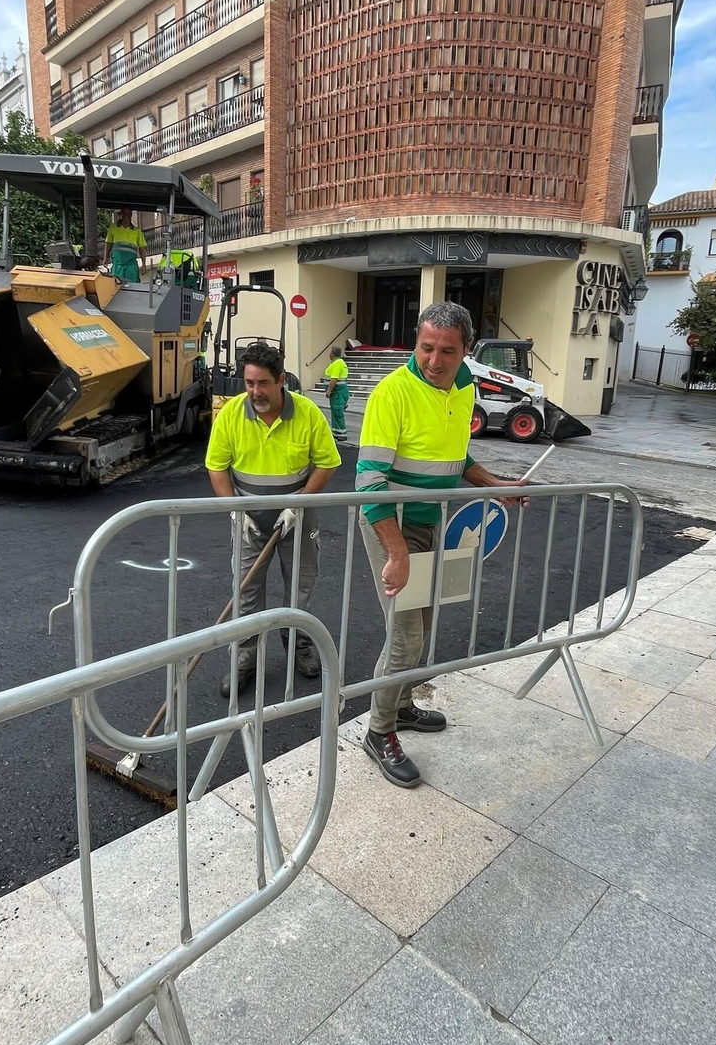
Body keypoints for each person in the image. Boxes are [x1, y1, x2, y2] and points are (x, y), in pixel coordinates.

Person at [356, 301, 526, 788]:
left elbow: (456, 456)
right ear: (417, 341)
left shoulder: (466, 386)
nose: (434, 360)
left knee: (424, 624)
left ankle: (403, 705)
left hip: (432, 522)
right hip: (390, 523)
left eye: (446, 351)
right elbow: (368, 479)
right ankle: (379, 729)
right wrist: (396, 551)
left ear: (466, 351)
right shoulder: (394, 392)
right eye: (426, 347)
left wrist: (493, 484)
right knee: (406, 634)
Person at [205, 342, 340, 697]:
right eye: (249, 383)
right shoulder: (232, 414)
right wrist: (235, 509)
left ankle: (297, 645)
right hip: (248, 517)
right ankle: (244, 658)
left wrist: (298, 504)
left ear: (281, 380)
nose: (255, 392)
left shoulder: (308, 413)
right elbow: (216, 467)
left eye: (263, 383)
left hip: (297, 515)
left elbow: (327, 462)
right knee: (246, 590)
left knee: (300, 585)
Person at [103, 209, 147, 283]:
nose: (126, 216)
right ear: (120, 215)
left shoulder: (137, 231)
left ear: (131, 215)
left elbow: (142, 248)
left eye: (128, 214)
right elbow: (108, 243)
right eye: (124, 214)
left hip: (131, 264)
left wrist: (144, 264)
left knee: (133, 286)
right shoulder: (113, 228)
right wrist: (105, 258)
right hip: (117, 264)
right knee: (115, 285)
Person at [321, 346, 351, 442]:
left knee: (338, 413)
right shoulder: (339, 363)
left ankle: (342, 433)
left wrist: (329, 390)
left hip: (338, 392)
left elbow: (334, 379)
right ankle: (336, 432)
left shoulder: (337, 364)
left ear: (332, 354)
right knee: (335, 412)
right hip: (339, 392)